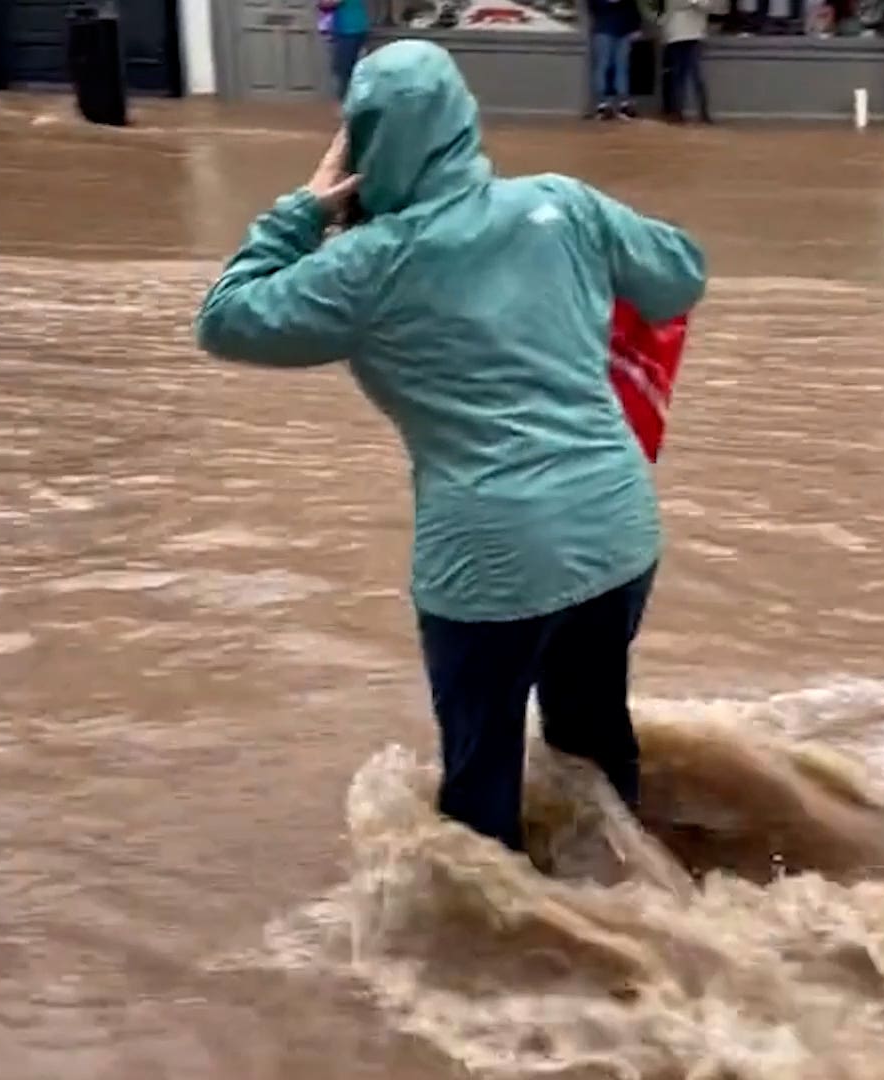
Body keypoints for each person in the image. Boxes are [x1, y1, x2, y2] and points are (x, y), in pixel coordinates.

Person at [194, 40, 706, 852]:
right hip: (617, 529)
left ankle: (499, 958)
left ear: (361, 145)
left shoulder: (366, 266)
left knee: (479, 790)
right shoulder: (564, 205)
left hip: (489, 563)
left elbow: (225, 319)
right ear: (465, 122)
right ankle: (639, 905)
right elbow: (679, 274)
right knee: (594, 740)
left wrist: (304, 210)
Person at [661, 0, 714, 123]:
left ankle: (704, 112)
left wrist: (695, 3)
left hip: (695, 35)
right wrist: (693, 3)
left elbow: (708, 6)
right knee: (677, 76)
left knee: (697, 76)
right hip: (675, 35)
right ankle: (677, 112)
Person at [589, 0, 643, 119]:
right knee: (604, 66)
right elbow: (592, 6)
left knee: (622, 66)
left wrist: (636, 27)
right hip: (604, 28)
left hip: (623, 31)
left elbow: (633, 6)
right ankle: (603, 104)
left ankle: (623, 104)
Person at [321, 0, 370, 101]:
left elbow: (328, 3)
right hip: (358, 27)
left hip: (349, 30)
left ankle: (348, 104)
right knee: (353, 70)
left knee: (344, 71)